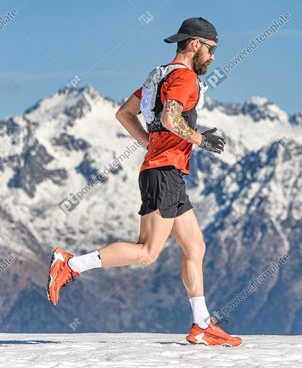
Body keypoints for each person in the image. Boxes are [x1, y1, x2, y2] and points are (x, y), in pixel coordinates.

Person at [47, 17, 242, 347]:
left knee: (195, 246)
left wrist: (150, 143)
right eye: (211, 49)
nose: (212, 57)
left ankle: (202, 324)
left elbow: (124, 113)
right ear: (194, 44)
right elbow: (169, 117)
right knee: (147, 253)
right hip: (164, 173)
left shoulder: (159, 76)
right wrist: (199, 139)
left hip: (167, 172)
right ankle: (71, 264)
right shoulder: (185, 78)